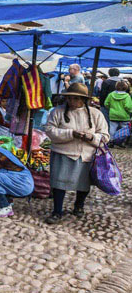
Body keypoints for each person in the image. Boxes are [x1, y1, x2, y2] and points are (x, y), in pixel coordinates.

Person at [45, 83, 109, 224]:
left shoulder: (95, 114)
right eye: (70, 98)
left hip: (86, 154)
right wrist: (71, 134)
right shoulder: (57, 112)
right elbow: (49, 130)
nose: (72, 102)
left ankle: (79, 206)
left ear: (83, 100)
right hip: (63, 153)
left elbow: (105, 136)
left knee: (83, 183)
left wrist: (91, 137)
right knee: (59, 183)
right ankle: (57, 211)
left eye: (75, 99)